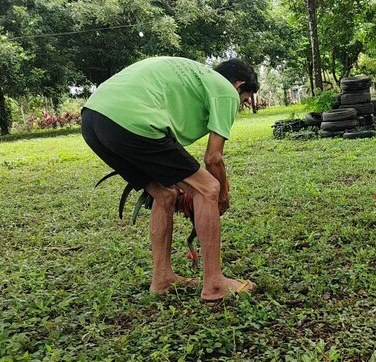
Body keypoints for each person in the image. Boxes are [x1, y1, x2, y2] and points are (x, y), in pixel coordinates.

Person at [81, 56, 259, 301]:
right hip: (131, 119)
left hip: (93, 119)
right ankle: (214, 284)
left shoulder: (193, 79)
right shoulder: (225, 91)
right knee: (208, 188)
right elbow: (213, 159)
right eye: (245, 100)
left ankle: (162, 278)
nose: (240, 106)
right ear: (238, 86)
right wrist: (222, 198)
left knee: (165, 193)